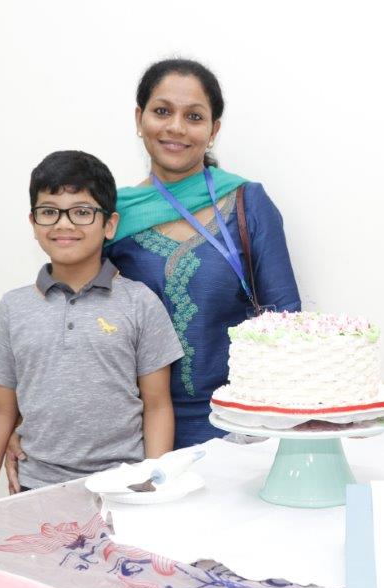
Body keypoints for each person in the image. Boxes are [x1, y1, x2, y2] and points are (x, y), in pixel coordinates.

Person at [107, 58, 301, 448]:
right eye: (162, 111)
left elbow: (287, 321)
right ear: (139, 118)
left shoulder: (247, 202)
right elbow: (75, 316)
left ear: (213, 131)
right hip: (133, 433)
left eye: (193, 116)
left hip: (240, 430)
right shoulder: (112, 216)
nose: (176, 127)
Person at [0, 151, 183, 503]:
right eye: (49, 211)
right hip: (34, 488)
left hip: (121, 488)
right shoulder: (13, 307)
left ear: (109, 224)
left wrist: (153, 488)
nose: (64, 224)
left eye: (82, 212)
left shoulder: (140, 303)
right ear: (34, 222)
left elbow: (157, 405)